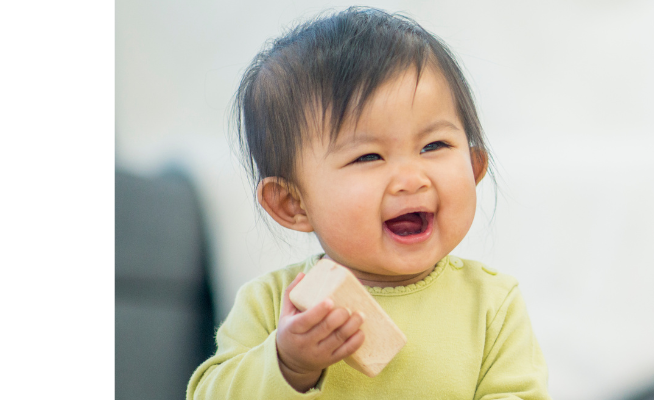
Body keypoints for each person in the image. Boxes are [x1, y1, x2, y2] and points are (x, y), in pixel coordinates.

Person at [187, 7, 546, 399]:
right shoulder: (274, 303)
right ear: (293, 203)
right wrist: (289, 364)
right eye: (369, 157)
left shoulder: (492, 304)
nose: (412, 178)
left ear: (475, 167)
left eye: (434, 145)